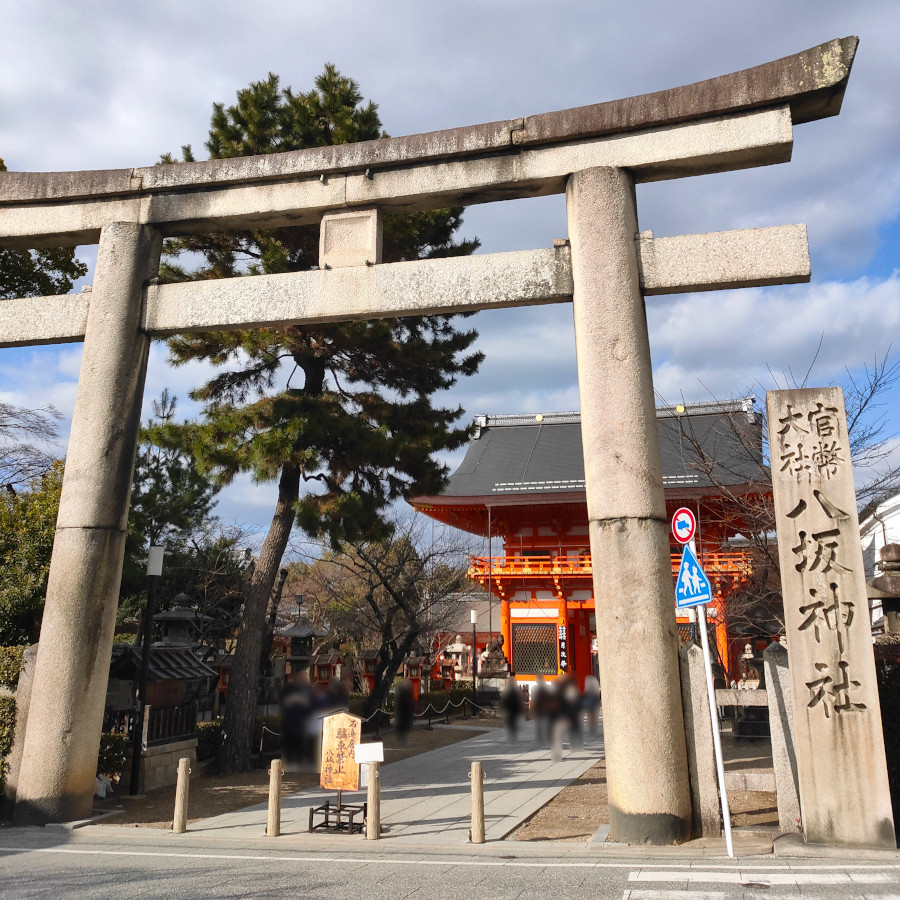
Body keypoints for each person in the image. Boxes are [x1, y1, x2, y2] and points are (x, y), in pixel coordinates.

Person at [500, 674, 525, 742]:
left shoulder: (506, 691)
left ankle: (510, 738)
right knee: (512, 725)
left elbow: (503, 701)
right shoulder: (517, 691)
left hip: (511, 710)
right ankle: (513, 737)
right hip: (514, 710)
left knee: (510, 724)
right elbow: (520, 702)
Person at [393, 678, 415, 747]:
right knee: (402, 728)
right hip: (402, 714)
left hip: (407, 713)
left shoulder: (409, 692)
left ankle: (402, 740)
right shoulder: (401, 693)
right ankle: (401, 741)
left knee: (407, 727)